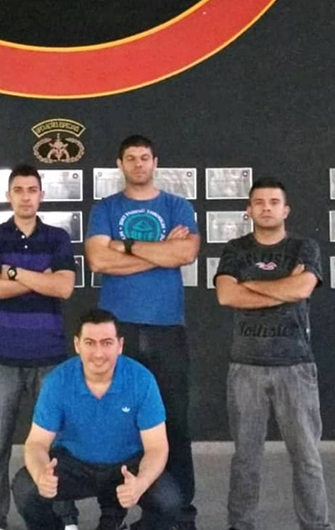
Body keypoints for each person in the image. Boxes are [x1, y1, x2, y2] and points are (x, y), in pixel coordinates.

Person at [85, 134, 201, 530]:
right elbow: (98, 260)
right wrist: (160, 254)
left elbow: (185, 253)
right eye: (131, 158)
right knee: (115, 423)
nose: (138, 164)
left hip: (167, 327)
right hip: (118, 332)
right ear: (120, 164)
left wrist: (127, 245)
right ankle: (112, 513)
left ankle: (179, 513)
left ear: (155, 162)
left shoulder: (177, 206)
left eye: (145, 157)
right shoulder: (106, 208)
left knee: (174, 422)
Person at [214, 178, 333, 530]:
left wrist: (250, 285)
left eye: (274, 202)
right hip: (245, 366)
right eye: (259, 202)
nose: (266, 208)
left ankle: (317, 526)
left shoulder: (304, 247)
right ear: (248, 210)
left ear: (286, 210)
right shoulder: (235, 249)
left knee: (307, 457)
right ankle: (240, 524)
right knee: (245, 458)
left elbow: (303, 288)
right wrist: (283, 289)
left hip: (295, 364)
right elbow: (226, 295)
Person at [0, 164, 77, 530]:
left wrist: (14, 273)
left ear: (41, 195)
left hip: (49, 356)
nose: (25, 196)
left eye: (32, 190)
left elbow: (64, 288)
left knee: (58, 446)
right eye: (18, 190)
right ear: (8, 196)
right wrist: (40, 279)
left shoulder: (58, 237)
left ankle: (63, 518)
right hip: (2, 356)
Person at [11, 309, 181, 530]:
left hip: (127, 466)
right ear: (77, 345)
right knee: (25, 488)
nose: (98, 353)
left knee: (169, 500)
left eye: (107, 343)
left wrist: (142, 482)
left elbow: (157, 447)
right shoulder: (58, 381)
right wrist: (40, 474)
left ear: (120, 345)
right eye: (90, 343)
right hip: (75, 465)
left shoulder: (142, 380)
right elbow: (36, 443)